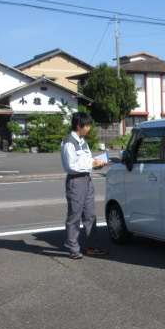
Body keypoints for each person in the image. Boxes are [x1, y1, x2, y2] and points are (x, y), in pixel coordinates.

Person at [60, 111, 109, 260]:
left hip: (86, 179)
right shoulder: (69, 142)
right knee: (74, 216)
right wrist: (91, 164)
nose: (89, 128)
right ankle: (73, 248)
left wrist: (98, 163)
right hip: (75, 180)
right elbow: (71, 166)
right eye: (87, 125)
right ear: (79, 125)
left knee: (90, 214)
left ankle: (92, 246)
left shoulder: (82, 141)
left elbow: (88, 160)